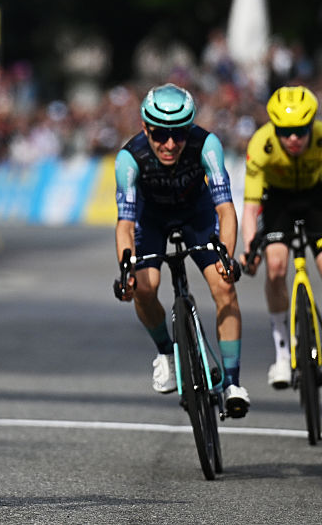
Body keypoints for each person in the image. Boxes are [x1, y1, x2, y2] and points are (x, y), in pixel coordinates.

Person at [114, 83, 250, 418]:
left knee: (224, 286)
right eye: (160, 134)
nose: (171, 144)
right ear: (146, 128)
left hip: (197, 215)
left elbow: (226, 210)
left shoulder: (207, 145)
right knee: (144, 288)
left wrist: (226, 257)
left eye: (179, 134)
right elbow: (126, 226)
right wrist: (127, 271)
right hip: (152, 220)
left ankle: (232, 382)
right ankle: (167, 354)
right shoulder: (129, 159)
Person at [239, 86, 322, 389]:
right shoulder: (261, 143)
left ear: (312, 124)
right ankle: (280, 355)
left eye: (300, 130)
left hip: (318, 198)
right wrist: (250, 249)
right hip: (278, 201)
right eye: (285, 131)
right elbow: (250, 209)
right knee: (275, 267)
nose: (293, 138)